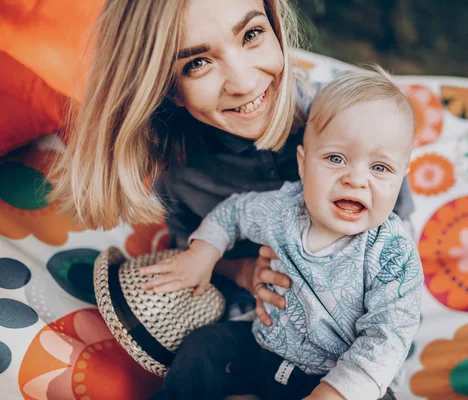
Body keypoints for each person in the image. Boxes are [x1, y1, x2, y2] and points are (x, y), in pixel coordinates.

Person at [50, 0, 416, 330]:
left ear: (275, 26)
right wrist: (242, 272)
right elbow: (194, 248)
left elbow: (399, 226)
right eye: (197, 63)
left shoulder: (349, 125)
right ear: (166, 88)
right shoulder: (180, 173)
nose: (244, 82)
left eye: (252, 34)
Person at [141, 66, 424, 400]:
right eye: (336, 158)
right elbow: (233, 213)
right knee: (206, 346)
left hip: (341, 377)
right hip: (267, 349)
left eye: (379, 168)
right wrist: (204, 251)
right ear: (303, 164)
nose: (356, 179)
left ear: (402, 175)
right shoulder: (283, 207)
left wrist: (334, 393)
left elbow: (387, 337)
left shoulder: (392, 252)